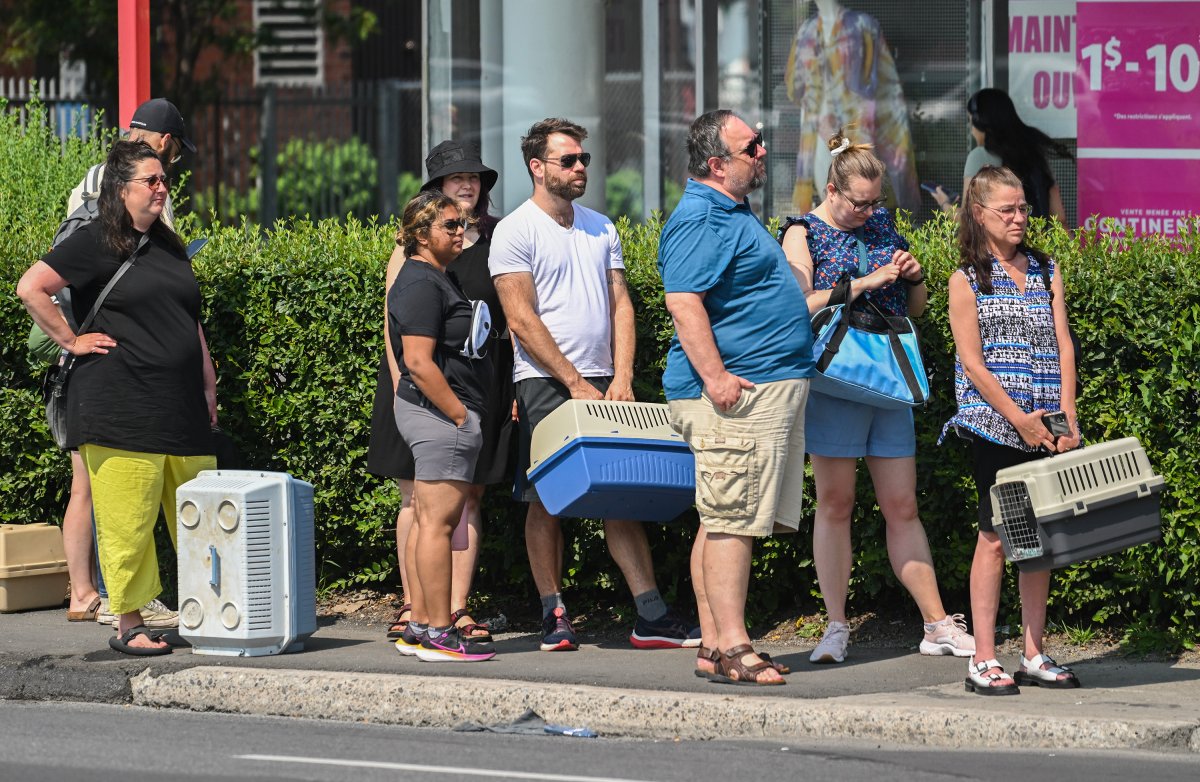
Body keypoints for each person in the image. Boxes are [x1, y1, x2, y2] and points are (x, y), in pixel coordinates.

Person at [490, 117, 698, 652]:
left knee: (622, 495)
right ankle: (553, 613)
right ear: (538, 168)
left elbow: (620, 302)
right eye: (569, 160)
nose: (582, 167)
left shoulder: (602, 226)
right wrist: (574, 381)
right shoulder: (515, 230)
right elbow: (521, 318)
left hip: (606, 383)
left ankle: (649, 616)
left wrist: (622, 374)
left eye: (584, 158)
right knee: (546, 499)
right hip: (544, 382)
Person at [779, 129, 974, 665]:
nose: (869, 212)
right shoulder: (802, 230)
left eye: (875, 202)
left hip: (886, 376)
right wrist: (865, 281)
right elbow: (800, 306)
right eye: (859, 203)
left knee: (902, 505)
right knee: (836, 504)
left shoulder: (885, 224)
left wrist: (912, 278)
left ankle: (936, 624)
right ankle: (836, 626)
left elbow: (915, 310)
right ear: (832, 189)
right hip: (836, 381)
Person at [17, 140, 217, 656]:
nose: (161, 187)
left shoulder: (169, 244)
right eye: (149, 180)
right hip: (120, 403)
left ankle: (213, 613)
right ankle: (129, 623)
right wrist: (71, 340)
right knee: (127, 520)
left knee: (204, 518)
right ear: (119, 189)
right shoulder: (95, 240)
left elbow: (188, 319)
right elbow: (32, 287)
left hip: (181, 406)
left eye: (163, 179)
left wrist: (208, 380)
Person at [659, 110, 814, 686]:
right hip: (736, 394)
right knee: (732, 520)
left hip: (758, 387)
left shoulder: (729, 211)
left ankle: (713, 644)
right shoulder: (702, 217)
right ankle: (732, 647)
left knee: (721, 517)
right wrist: (718, 379)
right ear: (717, 163)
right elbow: (684, 303)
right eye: (751, 145)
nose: (763, 150)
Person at [56, 98, 197, 629]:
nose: (166, 182)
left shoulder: (95, 182)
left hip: (120, 372)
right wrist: (73, 341)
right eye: (172, 158)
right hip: (115, 375)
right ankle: (120, 603)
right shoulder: (127, 194)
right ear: (164, 140)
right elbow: (41, 281)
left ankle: (84, 591)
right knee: (115, 495)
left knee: (90, 487)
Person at [942, 165, 1081, 695]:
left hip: (1047, 426)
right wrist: (1018, 419)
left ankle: (1034, 652)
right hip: (995, 428)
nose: (1020, 217)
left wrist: (1063, 417)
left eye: (1023, 207)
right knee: (996, 538)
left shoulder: (1046, 269)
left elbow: (1063, 343)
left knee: (1040, 540)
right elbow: (973, 364)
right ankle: (982, 657)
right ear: (980, 214)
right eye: (1008, 209)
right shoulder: (966, 278)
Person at [368, 140, 510, 645]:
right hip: (424, 389)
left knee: (468, 498)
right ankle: (418, 607)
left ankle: (454, 607)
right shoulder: (412, 252)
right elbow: (396, 329)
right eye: (456, 179)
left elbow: (508, 320)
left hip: (476, 387)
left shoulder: (497, 239)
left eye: (475, 178)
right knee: (416, 499)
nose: (468, 185)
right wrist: (409, 391)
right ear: (436, 192)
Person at [387, 189, 496, 663]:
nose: (460, 232)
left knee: (433, 523)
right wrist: (459, 415)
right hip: (439, 416)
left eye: (462, 224)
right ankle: (436, 630)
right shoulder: (419, 283)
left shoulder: (435, 278)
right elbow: (417, 361)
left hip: (440, 415)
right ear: (419, 235)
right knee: (438, 524)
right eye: (449, 225)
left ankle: (419, 627)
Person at [933, 88, 1072, 223]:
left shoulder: (979, 156)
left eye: (971, 122)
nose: (972, 131)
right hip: (1039, 244)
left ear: (981, 123)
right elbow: (1059, 220)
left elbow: (968, 218)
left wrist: (944, 202)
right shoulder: (1035, 154)